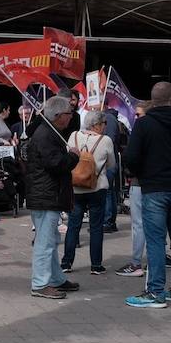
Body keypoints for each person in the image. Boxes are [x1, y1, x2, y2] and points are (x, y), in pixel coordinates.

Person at [124, 82, 171, 309]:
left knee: (156, 241)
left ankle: (155, 292)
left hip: (153, 189)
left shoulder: (144, 124)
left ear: (153, 99)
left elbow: (131, 157)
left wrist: (142, 174)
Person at [23, 96, 79, 300]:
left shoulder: (49, 132)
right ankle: (40, 283)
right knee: (45, 242)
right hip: (46, 194)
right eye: (68, 113)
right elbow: (56, 164)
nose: (71, 117)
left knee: (51, 240)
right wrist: (73, 156)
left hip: (47, 194)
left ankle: (56, 278)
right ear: (58, 116)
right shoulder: (45, 134)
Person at [61, 110, 115, 276]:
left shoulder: (74, 136)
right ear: (97, 125)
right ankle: (96, 265)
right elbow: (111, 163)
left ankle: (66, 262)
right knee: (96, 227)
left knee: (73, 225)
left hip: (75, 187)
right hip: (96, 188)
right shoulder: (105, 140)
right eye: (104, 123)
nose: (106, 127)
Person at [116, 101, 150, 279]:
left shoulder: (142, 131)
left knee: (139, 224)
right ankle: (153, 260)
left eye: (138, 114)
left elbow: (131, 156)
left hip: (141, 182)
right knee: (155, 225)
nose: (135, 117)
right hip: (157, 184)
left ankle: (137, 262)